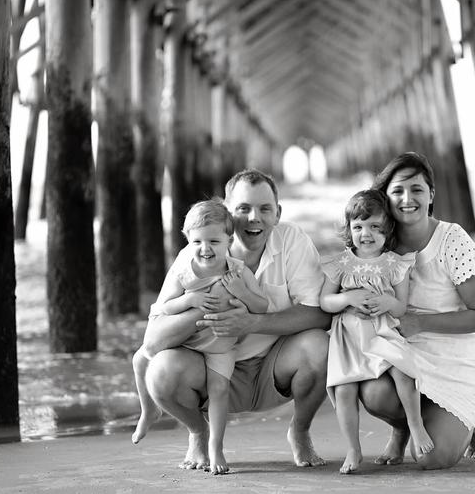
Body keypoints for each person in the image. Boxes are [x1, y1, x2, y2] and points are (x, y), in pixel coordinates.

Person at [141, 169, 331, 472]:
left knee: (321, 347)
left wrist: (252, 323)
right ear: (226, 212)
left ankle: (300, 430)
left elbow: (320, 315)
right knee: (160, 372)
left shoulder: (292, 241)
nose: (253, 217)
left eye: (264, 208)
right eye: (243, 208)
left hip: (274, 369)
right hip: (208, 371)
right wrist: (202, 305)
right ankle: (198, 432)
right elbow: (152, 343)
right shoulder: (198, 253)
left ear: (278, 213)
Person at [359, 151, 475, 469]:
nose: (408, 199)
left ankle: (474, 417)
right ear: (386, 197)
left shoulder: (452, 241)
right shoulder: (380, 244)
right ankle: (402, 428)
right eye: (398, 191)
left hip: (458, 361)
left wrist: (419, 322)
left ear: (431, 194)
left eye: (417, 190)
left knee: (430, 459)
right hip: (406, 360)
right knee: (374, 394)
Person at [132, 199, 269, 474]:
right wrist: (190, 300)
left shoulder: (238, 271)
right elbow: (165, 308)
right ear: (187, 241)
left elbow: (261, 307)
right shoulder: (185, 271)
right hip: (188, 343)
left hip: (220, 346)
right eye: (197, 242)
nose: (205, 249)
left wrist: (242, 292)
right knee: (140, 359)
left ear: (229, 240)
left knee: (219, 390)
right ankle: (148, 411)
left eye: (214, 242)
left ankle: (216, 447)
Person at [320, 189, 433, 474]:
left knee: (403, 373)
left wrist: (386, 302)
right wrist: (347, 299)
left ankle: (415, 426)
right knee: (344, 390)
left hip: (383, 331)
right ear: (349, 229)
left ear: (388, 229)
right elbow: (326, 301)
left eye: (374, 227)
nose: (365, 234)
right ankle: (353, 449)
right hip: (348, 338)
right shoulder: (341, 263)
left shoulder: (395, 263)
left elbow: (400, 307)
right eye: (357, 227)